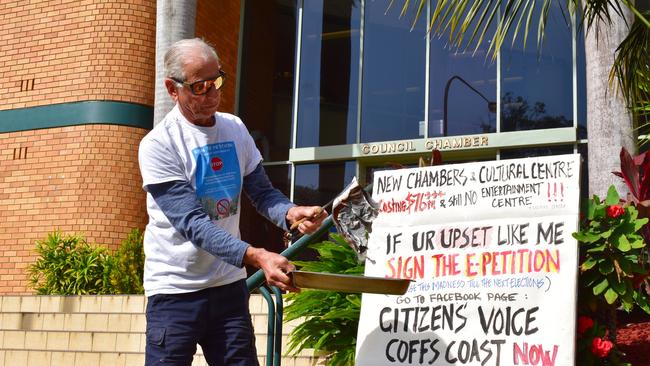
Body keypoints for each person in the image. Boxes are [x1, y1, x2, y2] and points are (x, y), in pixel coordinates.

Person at [138, 38, 326, 366]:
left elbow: (262, 193)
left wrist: (291, 213)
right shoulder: (158, 145)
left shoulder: (234, 128)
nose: (212, 94)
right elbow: (193, 224)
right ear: (172, 88)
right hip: (174, 291)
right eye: (200, 87)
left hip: (227, 289)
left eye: (217, 82)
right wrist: (257, 256)